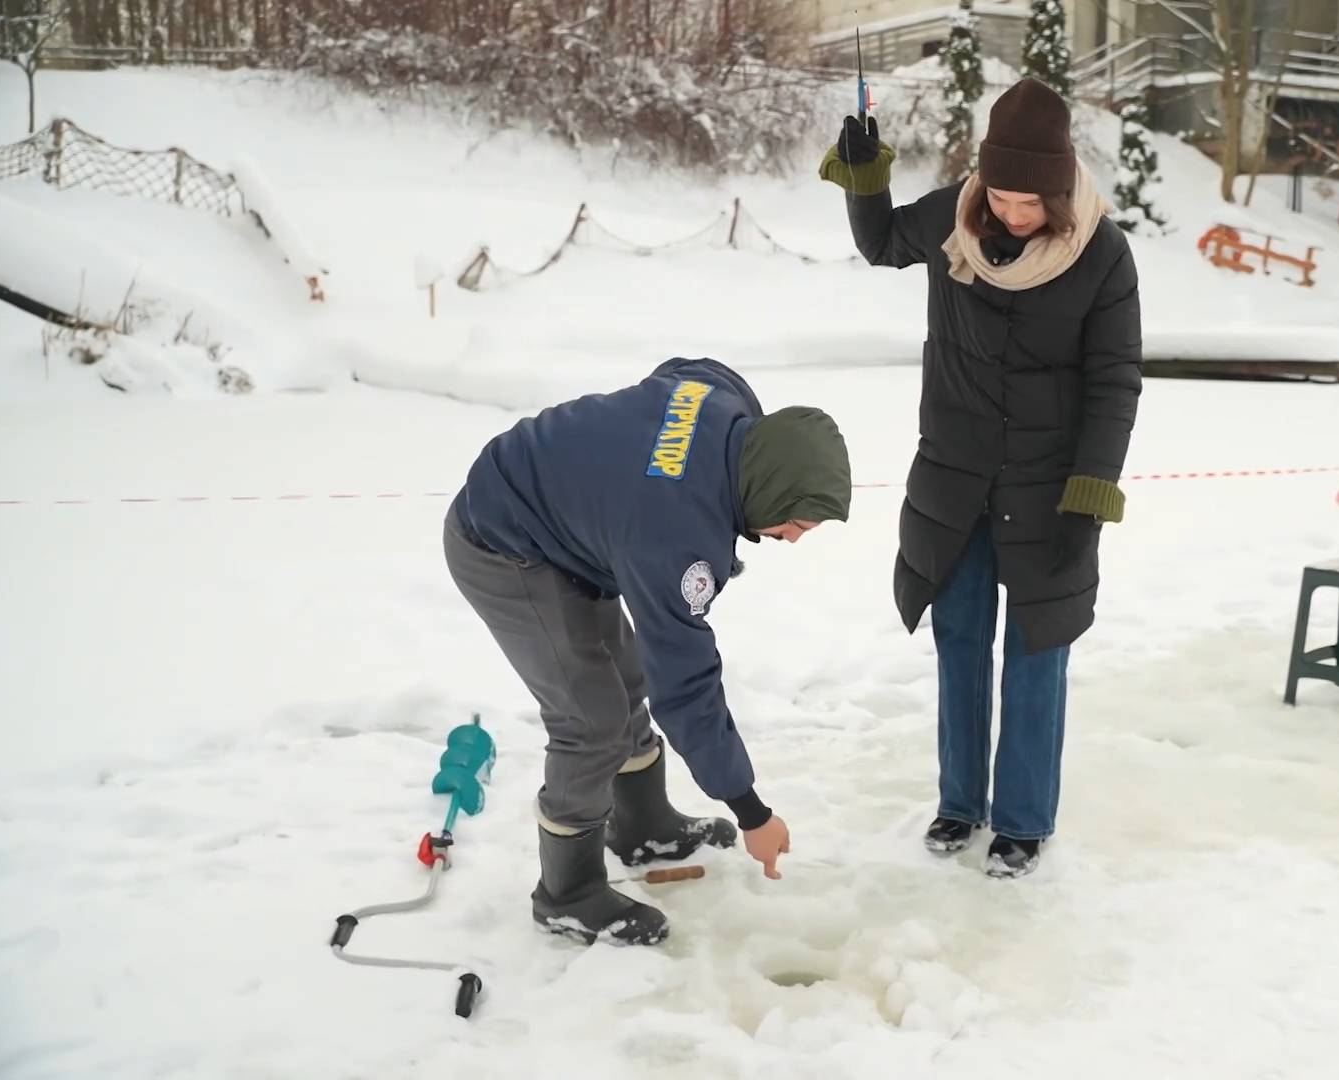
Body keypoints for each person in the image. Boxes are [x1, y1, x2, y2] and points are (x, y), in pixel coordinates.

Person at [819, 79, 1143, 879]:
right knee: (959, 639)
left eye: (1030, 202)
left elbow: (1115, 381)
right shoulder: (956, 219)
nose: (1011, 213)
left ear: (1061, 192)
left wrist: (1089, 499)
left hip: (1046, 491)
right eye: (1000, 194)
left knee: (1038, 651)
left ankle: (1024, 822)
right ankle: (960, 802)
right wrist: (865, 176)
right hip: (955, 478)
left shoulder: (1103, 254)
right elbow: (882, 242)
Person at [444, 356, 852, 945]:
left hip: (569, 526)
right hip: (502, 542)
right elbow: (686, 688)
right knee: (591, 722)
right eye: (797, 524)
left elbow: (689, 369)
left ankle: (642, 826)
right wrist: (752, 814)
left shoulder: (725, 406)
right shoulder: (677, 541)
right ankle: (567, 893)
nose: (791, 539)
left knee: (624, 675)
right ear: (770, 487)